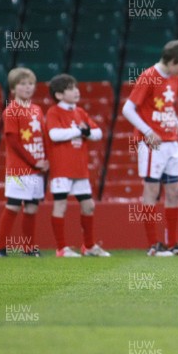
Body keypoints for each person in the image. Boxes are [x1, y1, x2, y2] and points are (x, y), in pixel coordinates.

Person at [122, 39, 178, 256]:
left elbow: (167, 105)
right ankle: (153, 244)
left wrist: (177, 122)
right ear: (173, 60)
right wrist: (147, 132)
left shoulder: (174, 78)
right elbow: (128, 109)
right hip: (152, 144)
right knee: (152, 190)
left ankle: (173, 243)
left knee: (174, 190)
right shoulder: (148, 76)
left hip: (171, 141)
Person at [46, 74, 110, 257]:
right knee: (61, 206)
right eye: (71, 88)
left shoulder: (80, 112)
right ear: (59, 95)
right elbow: (54, 135)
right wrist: (79, 131)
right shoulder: (54, 112)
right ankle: (61, 248)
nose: (76, 91)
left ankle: (88, 246)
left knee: (88, 205)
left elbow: (97, 133)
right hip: (62, 168)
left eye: (76, 87)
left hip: (79, 169)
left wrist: (85, 131)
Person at [0, 67, 48, 257]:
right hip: (19, 169)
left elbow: (43, 137)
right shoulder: (11, 111)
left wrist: (45, 160)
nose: (27, 88)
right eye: (23, 84)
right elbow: (13, 142)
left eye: (31, 84)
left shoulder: (37, 110)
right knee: (13, 205)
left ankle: (28, 248)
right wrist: (35, 162)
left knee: (32, 207)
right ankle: (0, 249)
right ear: (13, 88)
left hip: (36, 170)